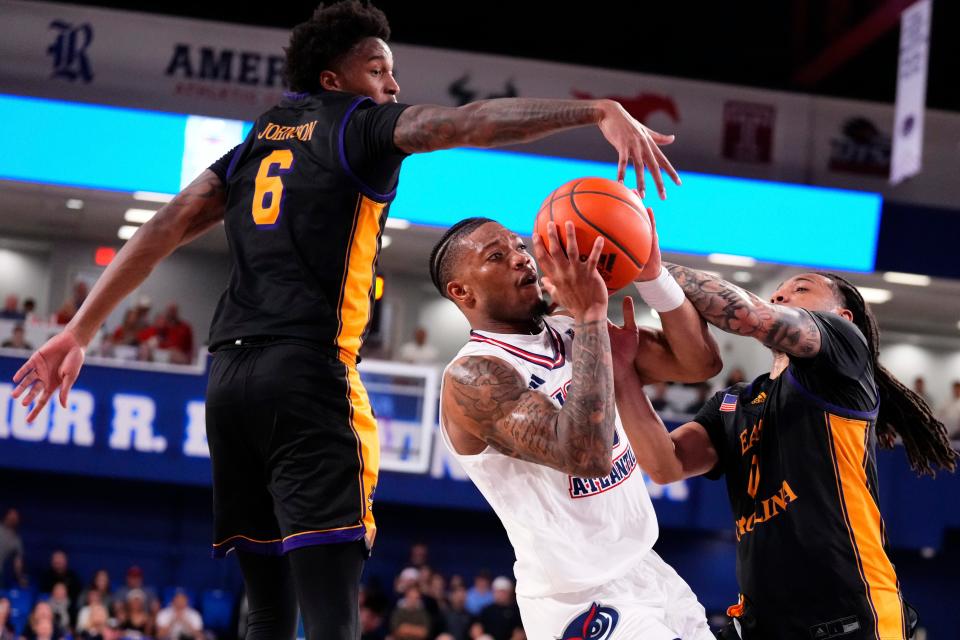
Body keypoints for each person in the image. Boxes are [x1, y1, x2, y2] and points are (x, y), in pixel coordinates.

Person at [11, 2, 680, 638]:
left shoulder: (258, 141)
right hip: (307, 378)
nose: (392, 85)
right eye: (378, 70)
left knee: (265, 613)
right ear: (335, 80)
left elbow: (167, 223)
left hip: (230, 381)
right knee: (333, 612)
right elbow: (471, 122)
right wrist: (595, 109)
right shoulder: (358, 125)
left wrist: (80, 330)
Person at [615, 264, 959, 638]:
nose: (779, 295)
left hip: (848, 618)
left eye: (801, 289)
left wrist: (644, 264)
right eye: (778, 291)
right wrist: (622, 378)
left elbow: (747, 315)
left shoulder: (842, 354)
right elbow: (666, 464)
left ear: (841, 317)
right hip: (764, 624)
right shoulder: (733, 402)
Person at [434, 218, 720, 639]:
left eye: (519, 247)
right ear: (462, 291)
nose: (520, 258)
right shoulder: (474, 375)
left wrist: (652, 275)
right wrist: (590, 316)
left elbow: (700, 364)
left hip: (648, 570)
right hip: (580, 601)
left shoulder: (572, 330)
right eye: (497, 256)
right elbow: (585, 456)